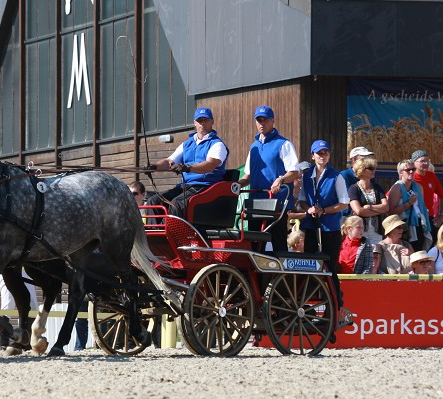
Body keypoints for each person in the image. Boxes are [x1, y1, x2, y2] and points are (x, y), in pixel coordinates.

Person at [295, 140, 350, 319]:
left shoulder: (336, 176)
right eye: (319, 153)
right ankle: (307, 303)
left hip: (330, 227)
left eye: (325, 152)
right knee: (311, 265)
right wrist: (308, 209)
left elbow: (344, 203)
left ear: (329, 155)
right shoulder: (307, 175)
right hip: (311, 225)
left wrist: (324, 211)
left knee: (330, 266)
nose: (322, 155)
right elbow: (302, 200)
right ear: (312, 156)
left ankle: (336, 305)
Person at [146, 107, 229, 217]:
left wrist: (187, 167)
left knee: (176, 204)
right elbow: (169, 161)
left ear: (212, 121)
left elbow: (210, 165)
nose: (202, 123)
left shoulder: (217, 144)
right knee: (154, 201)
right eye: (200, 120)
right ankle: (154, 233)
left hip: (206, 187)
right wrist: (154, 167)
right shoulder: (186, 144)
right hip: (185, 186)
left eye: (206, 120)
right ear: (195, 123)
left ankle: (171, 233)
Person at [237, 105, 300, 251]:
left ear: (272, 121)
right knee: (254, 245)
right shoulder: (254, 147)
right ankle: (255, 274)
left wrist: (281, 179)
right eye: (259, 120)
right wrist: (236, 185)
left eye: (265, 120)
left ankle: (282, 273)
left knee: (278, 244)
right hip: (255, 202)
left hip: (276, 203)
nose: (261, 124)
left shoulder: (284, 144)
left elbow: (294, 172)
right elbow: (248, 175)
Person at [388, 159, 432, 252]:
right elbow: (391, 211)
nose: (411, 172)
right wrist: (408, 204)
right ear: (401, 173)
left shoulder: (418, 187)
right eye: (408, 170)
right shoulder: (397, 188)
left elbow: (422, 207)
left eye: (413, 169)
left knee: (418, 252)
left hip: (419, 225)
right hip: (403, 227)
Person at [347, 155, 388, 246]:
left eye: (374, 168)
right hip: (360, 232)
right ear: (361, 170)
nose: (374, 171)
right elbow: (358, 211)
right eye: (370, 168)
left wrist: (369, 207)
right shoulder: (353, 189)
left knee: (376, 257)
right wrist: (378, 210)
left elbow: (386, 207)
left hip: (377, 232)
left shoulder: (377, 187)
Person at [410, 149, 443, 228]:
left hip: (429, 217)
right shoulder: (410, 177)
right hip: (413, 218)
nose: (426, 163)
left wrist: (441, 215)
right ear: (414, 163)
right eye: (422, 161)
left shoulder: (431, 175)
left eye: (427, 160)